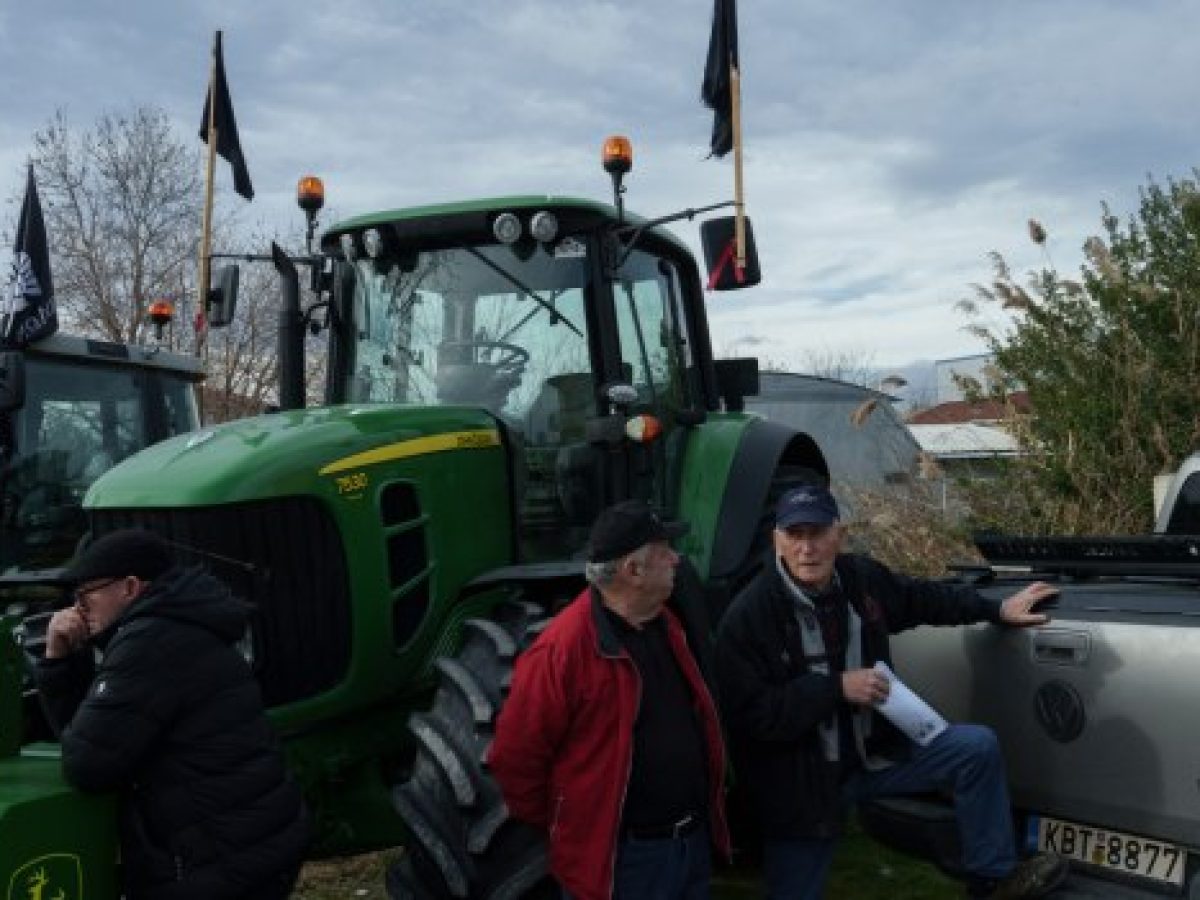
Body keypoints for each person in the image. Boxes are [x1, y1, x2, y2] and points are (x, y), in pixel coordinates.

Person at [715, 484, 1069, 900]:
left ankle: (992, 880)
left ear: (839, 535)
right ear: (777, 539)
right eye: (795, 535)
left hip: (874, 759)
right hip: (801, 787)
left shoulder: (860, 579)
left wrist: (995, 609)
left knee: (974, 749)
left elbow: (923, 598)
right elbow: (752, 717)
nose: (806, 548)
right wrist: (835, 689)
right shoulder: (749, 616)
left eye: (817, 533)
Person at [30, 528, 309, 899]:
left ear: (129, 588)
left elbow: (88, 763)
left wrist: (55, 659)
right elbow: (101, 737)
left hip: (216, 861)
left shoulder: (149, 642)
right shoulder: (182, 623)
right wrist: (70, 665)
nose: (77, 610)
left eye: (85, 597)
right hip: (254, 841)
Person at [489, 500, 730, 900]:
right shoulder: (561, 651)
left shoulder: (666, 624)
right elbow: (516, 760)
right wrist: (574, 825)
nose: (676, 559)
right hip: (625, 862)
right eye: (664, 551)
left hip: (689, 845)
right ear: (632, 570)